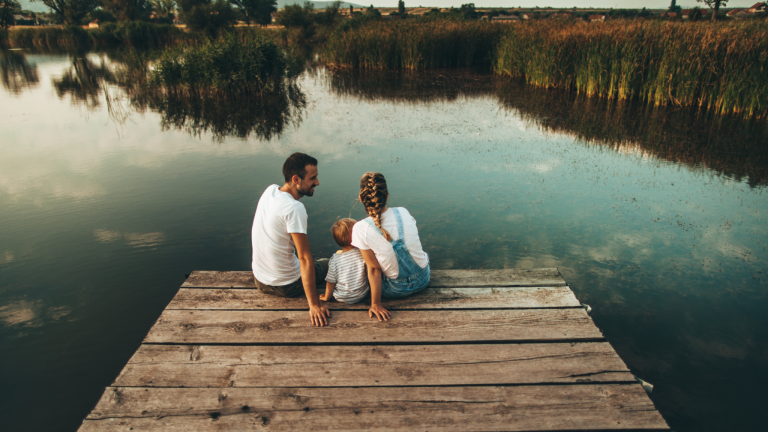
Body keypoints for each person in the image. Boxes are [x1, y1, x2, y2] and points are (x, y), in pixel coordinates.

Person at [251, 152, 331, 327]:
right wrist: (314, 306)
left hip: (260, 280)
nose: (317, 182)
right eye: (313, 178)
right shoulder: (294, 208)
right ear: (296, 179)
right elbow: (304, 258)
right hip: (287, 286)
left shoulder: (270, 191)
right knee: (328, 263)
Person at [351, 172, 430, 322]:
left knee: (364, 262)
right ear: (387, 196)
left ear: (361, 199)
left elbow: (374, 269)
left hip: (396, 289)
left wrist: (375, 303)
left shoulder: (360, 228)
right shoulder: (403, 212)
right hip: (423, 279)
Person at [319, 218, 370, 304]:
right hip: (362, 295)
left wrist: (327, 297)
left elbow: (331, 281)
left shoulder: (335, 259)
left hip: (341, 297)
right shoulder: (362, 254)